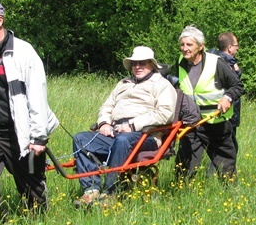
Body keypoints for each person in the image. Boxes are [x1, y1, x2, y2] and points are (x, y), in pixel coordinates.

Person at [0, 0, 59, 223]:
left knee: (32, 194)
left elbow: (37, 95)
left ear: (0, 20)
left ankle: (38, 215)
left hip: (22, 131)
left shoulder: (23, 52)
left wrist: (39, 136)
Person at [72, 46, 177, 207]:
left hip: (145, 135)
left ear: (151, 64)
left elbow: (165, 113)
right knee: (80, 139)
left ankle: (110, 193)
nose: (137, 67)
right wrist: (104, 122)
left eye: (142, 63)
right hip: (116, 132)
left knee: (122, 140)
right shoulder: (123, 83)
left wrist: (133, 125)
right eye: (134, 63)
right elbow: (107, 106)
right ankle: (91, 191)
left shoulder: (162, 85)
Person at [175, 26, 244, 179]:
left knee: (226, 169)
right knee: (184, 167)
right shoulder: (180, 62)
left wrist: (227, 98)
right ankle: (182, 196)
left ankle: (231, 197)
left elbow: (237, 86)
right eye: (182, 44)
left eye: (189, 45)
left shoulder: (216, 63)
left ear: (200, 46)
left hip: (216, 123)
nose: (185, 49)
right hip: (191, 123)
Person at [209, 32, 242, 152]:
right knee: (226, 148)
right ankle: (218, 171)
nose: (237, 48)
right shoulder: (223, 63)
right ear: (229, 47)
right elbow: (233, 86)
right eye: (236, 45)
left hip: (226, 112)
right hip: (224, 112)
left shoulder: (221, 61)